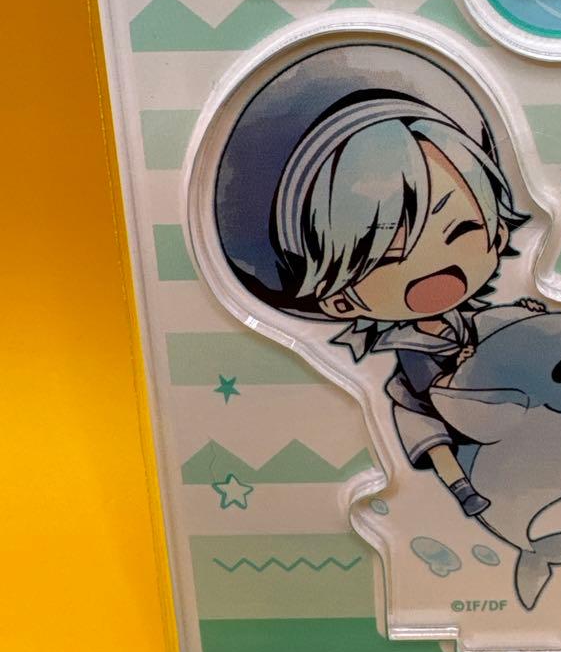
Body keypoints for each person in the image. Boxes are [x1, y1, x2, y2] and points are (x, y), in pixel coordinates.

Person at [213, 42, 535, 516]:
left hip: (475, 391)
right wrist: (465, 366)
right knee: (429, 435)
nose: (437, 267)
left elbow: (494, 325)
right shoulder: (409, 344)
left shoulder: (466, 319)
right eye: (387, 258)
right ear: (340, 301)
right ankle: (460, 486)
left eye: (464, 230)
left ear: (498, 231)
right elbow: (430, 386)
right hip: (428, 400)